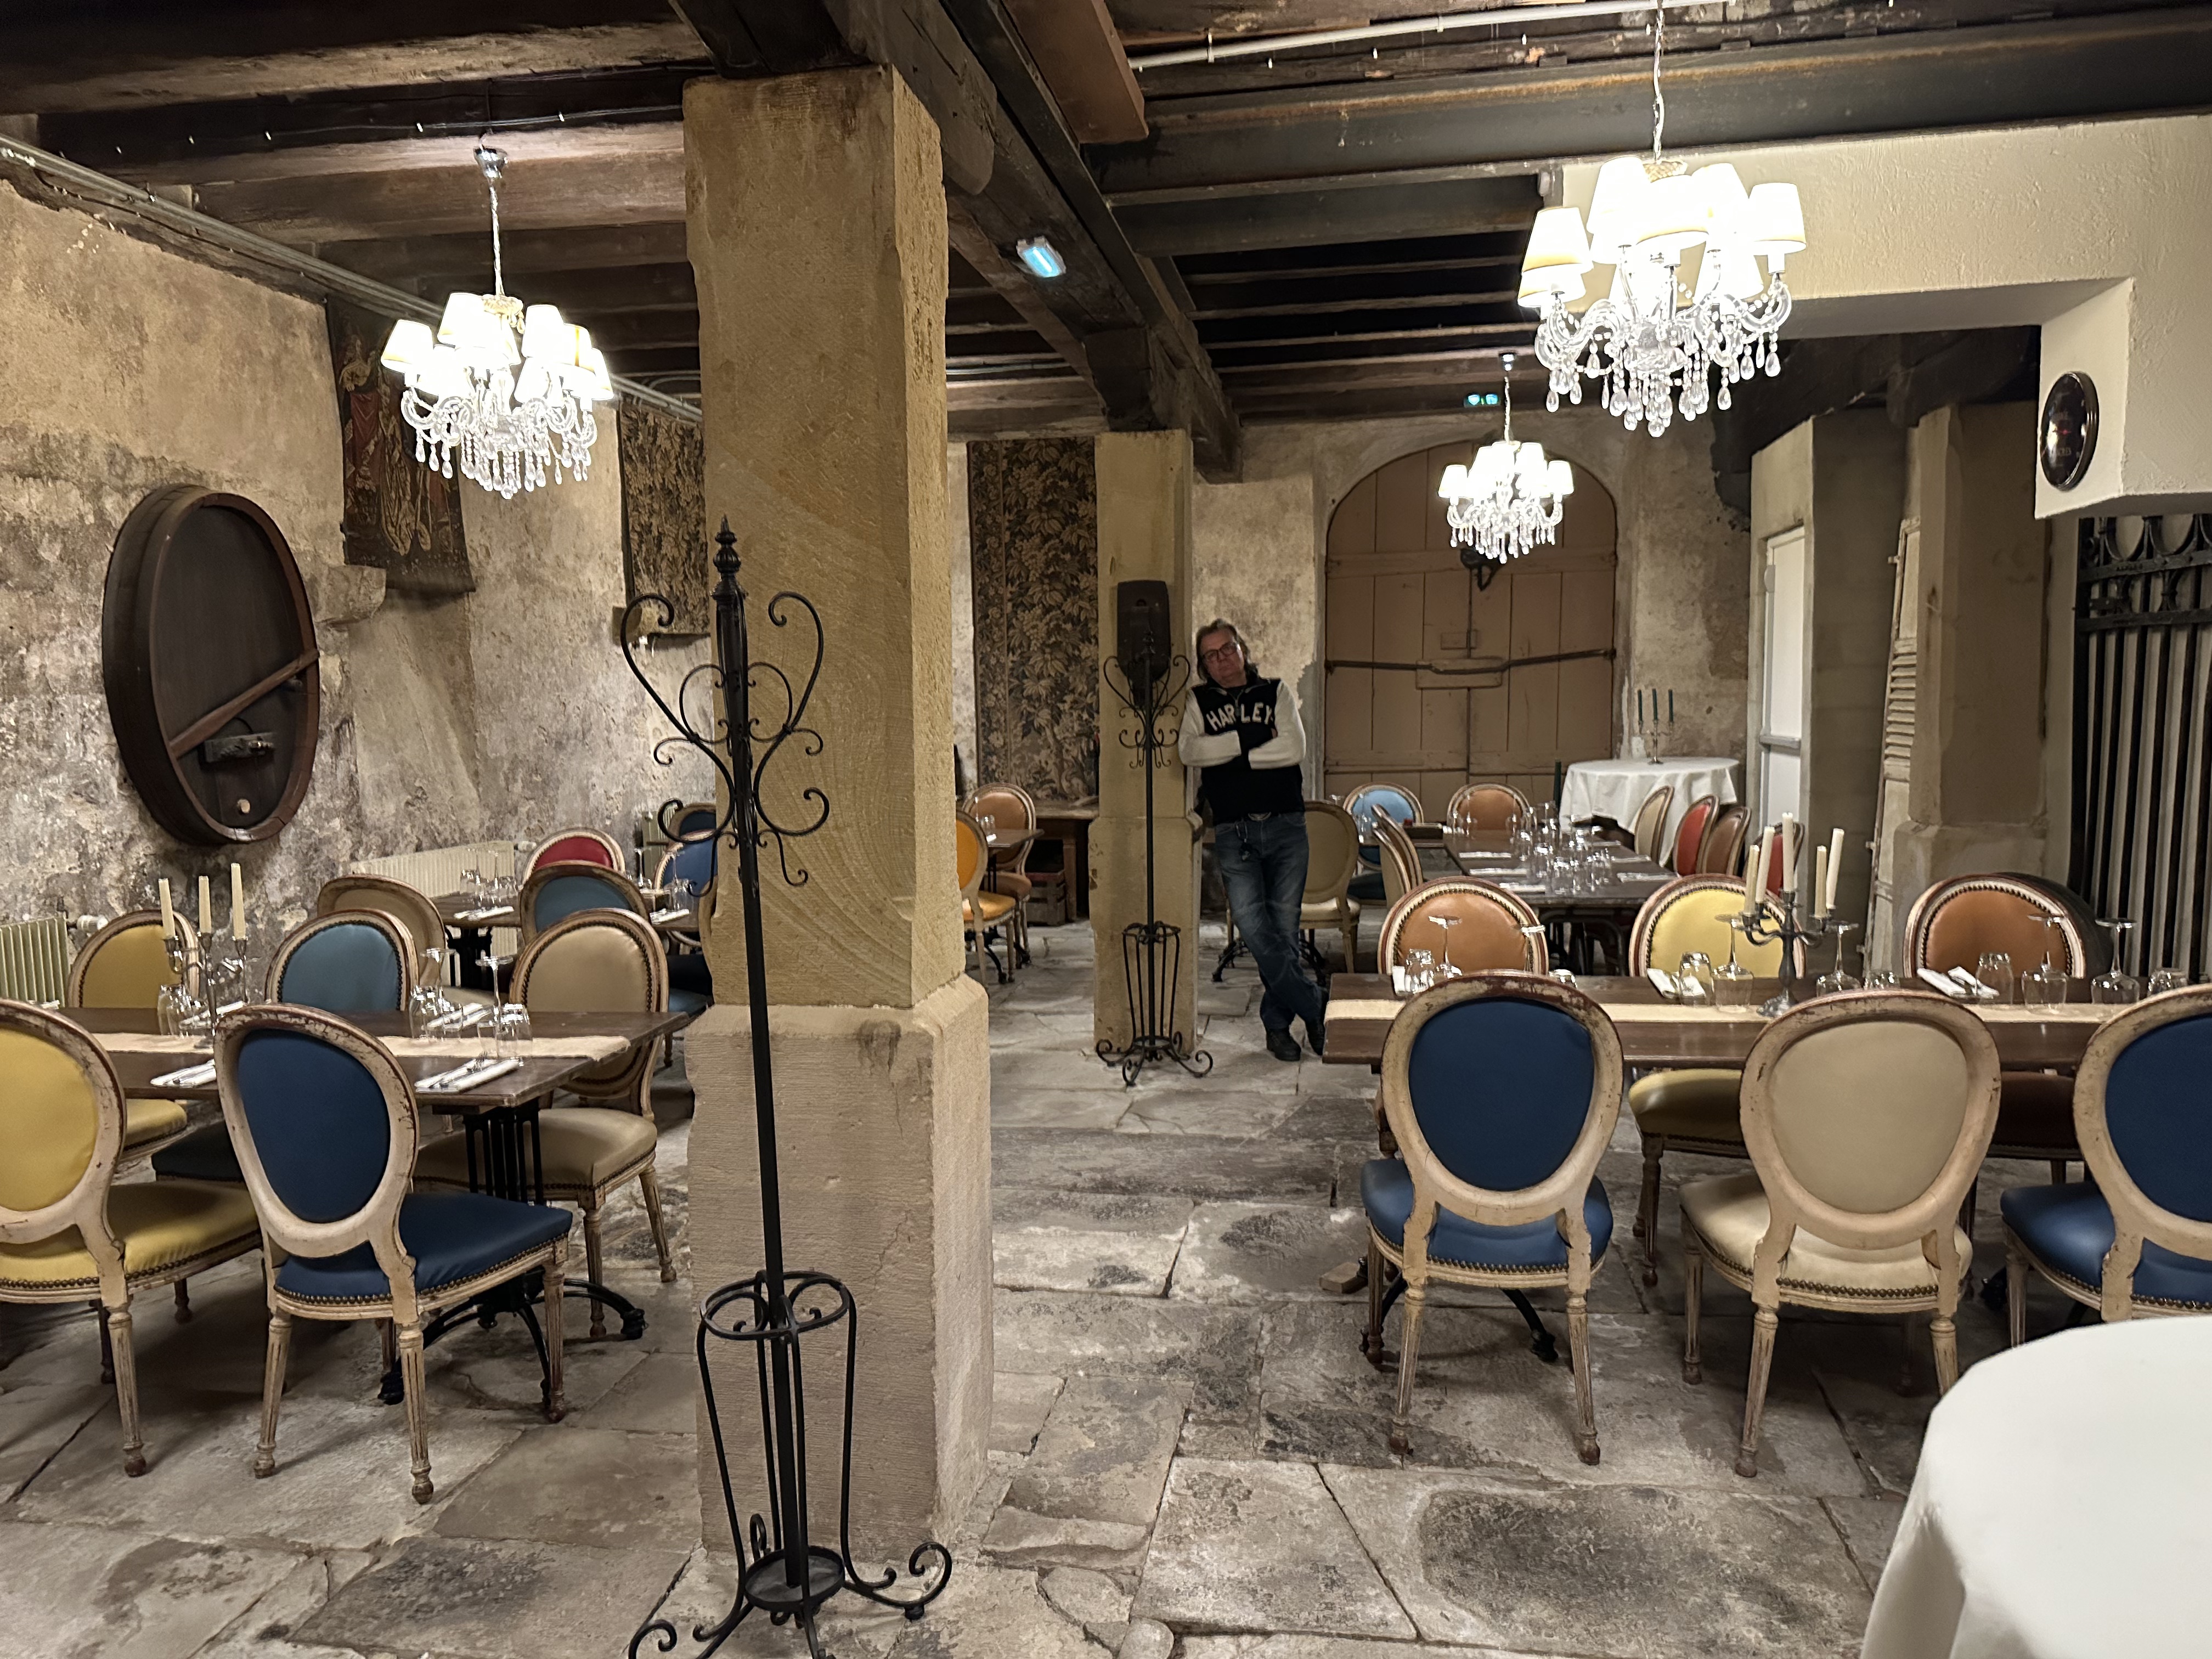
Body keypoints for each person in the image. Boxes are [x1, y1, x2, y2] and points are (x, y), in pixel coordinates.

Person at [1180, 618, 1328, 1062]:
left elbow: (1294, 749)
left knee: (1284, 930)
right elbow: (1190, 751)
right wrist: (1250, 738)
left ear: (1242, 649)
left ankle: (1278, 1027)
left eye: (1228, 648)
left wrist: (1229, 757)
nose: (1222, 659)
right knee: (1251, 925)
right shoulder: (1198, 701)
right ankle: (1315, 1006)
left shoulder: (1276, 693)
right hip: (1235, 831)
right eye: (1211, 655)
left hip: (1286, 827)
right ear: (1204, 665)